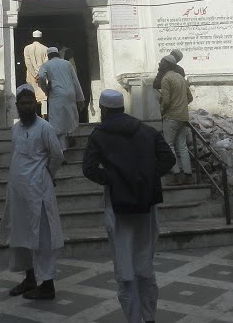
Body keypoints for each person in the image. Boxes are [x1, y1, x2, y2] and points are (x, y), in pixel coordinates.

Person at [82, 90, 176, 323]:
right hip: (145, 205)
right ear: (122, 108)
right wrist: (145, 178)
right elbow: (168, 159)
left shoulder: (99, 135)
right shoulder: (146, 130)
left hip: (118, 207)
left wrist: (115, 180)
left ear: (103, 110)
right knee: (145, 265)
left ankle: (134, 319)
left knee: (124, 272)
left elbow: (89, 168)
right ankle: (149, 318)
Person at [0, 84, 64, 300]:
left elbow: (56, 155)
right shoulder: (15, 129)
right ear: (16, 105)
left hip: (39, 192)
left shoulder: (45, 127)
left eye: (29, 103)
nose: (25, 107)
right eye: (21, 103)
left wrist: (46, 175)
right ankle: (29, 279)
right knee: (22, 237)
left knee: (42, 238)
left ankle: (47, 285)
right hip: (19, 194)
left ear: (35, 104)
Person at [37, 47, 84, 150]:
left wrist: (46, 89)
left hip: (57, 94)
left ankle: (61, 151)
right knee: (70, 117)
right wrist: (80, 98)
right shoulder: (67, 63)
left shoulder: (46, 65)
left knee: (57, 122)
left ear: (48, 56)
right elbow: (75, 80)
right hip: (71, 93)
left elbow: (40, 77)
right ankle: (70, 136)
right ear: (57, 54)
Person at [157, 55, 194, 185]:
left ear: (167, 65)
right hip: (182, 117)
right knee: (182, 146)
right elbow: (190, 98)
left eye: (161, 62)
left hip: (171, 117)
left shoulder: (166, 78)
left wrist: (162, 111)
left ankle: (177, 174)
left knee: (169, 146)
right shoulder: (180, 78)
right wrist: (180, 105)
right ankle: (188, 175)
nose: (159, 64)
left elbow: (166, 100)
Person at [23, 30, 49, 116]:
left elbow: (28, 63)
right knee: (43, 97)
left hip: (31, 76)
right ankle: (44, 116)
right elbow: (45, 63)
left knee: (32, 96)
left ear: (32, 38)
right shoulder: (46, 49)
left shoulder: (27, 48)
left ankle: (33, 117)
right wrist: (39, 74)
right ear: (41, 38)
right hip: (42, 76)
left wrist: (34, 75)